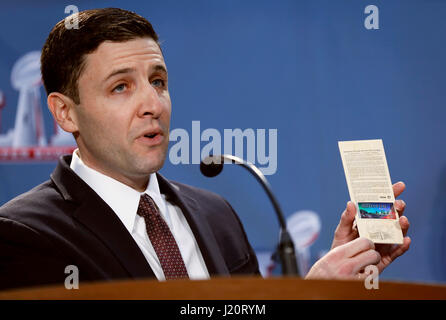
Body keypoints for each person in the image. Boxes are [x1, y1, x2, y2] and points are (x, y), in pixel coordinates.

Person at [0, 8, 410, 291]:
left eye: (158, 81)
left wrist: (326, 281)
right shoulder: (24, 233)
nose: (153, 104)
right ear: (65, 113)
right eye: (121, 86)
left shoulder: (217, 214)